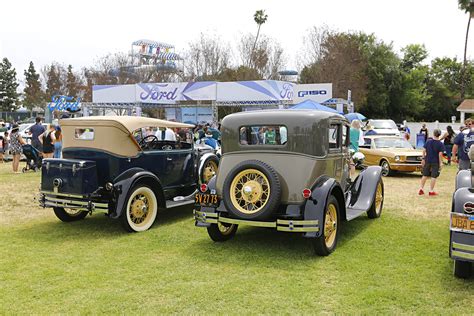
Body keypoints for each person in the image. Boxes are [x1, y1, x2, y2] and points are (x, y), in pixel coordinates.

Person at [419, 129, 445, 196]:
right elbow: (440, 154)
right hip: (435, 162)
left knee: (425, 175)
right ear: (439, 135)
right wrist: (441, 162)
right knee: (433, 176)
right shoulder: (440, 144)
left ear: (433, 134)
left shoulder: (428, 142)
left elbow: (424, 150)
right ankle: (431, 191)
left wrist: (423, 158)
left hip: (427, 160)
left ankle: (421, 189)